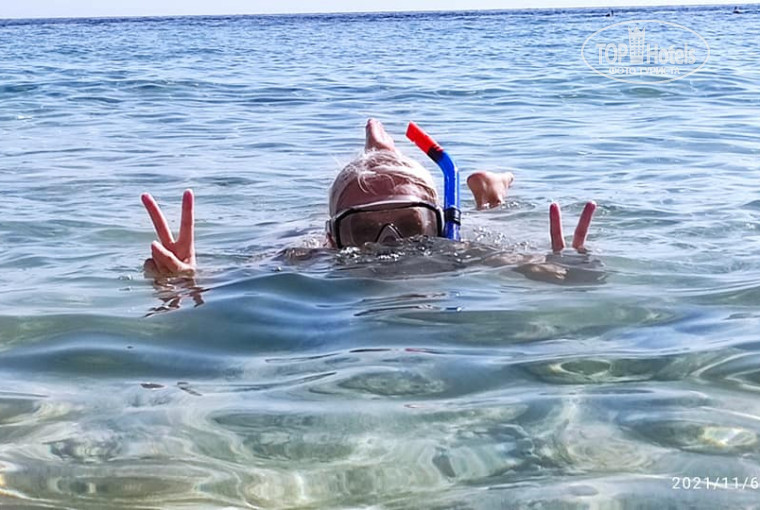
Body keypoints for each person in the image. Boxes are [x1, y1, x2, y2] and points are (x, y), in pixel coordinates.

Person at [141, 119, 594, 279]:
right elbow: (232, 279)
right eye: (361, 229)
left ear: (440, 223)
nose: (389, 242)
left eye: (412, 225)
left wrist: (574, 268)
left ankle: (489, 191)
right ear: (333, 237)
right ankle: (380, 151)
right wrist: (185, 280)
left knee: (491, 216)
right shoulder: (308, 253)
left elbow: (555, 276)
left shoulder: (461, 246)